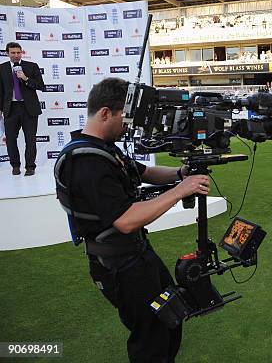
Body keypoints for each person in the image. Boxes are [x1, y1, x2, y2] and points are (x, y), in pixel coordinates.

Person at [54, 78, 210, 362]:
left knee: (171, 317)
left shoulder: (104, 148)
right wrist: (180, 191)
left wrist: (181, 173)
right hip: (119, 265)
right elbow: (125, 220)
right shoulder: (87, 162)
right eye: (124, 119)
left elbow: (145, 173)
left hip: (136, 254)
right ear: (105, 113)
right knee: (150, 337)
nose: (128, 126)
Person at [0, 42, 45, 176]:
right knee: (11, 139)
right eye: (13, 53)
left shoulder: (31, 66)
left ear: (21, 53)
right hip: (10, 108)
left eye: (18, 52)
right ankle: (15, 166)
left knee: (30, 139)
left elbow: (41, 86)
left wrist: (25, 78)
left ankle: (30, 167)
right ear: (7, 53)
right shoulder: (1, 68)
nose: (16, 55)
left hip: (29, 108)